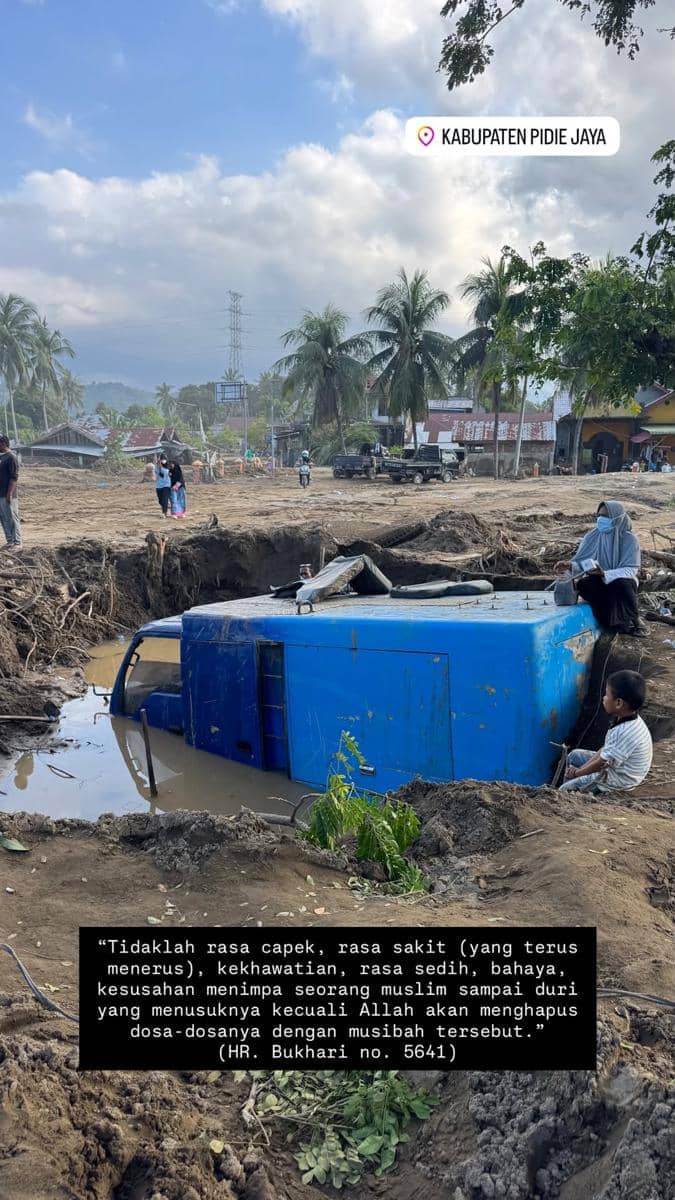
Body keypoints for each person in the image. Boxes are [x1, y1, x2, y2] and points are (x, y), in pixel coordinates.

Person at [554, 500, 645, 636]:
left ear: (617, 518)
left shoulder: (629, 539)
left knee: (622, 585)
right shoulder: (592, 536)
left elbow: (631, 570)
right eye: (599, 516)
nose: (601, 520)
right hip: (598, 578)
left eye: (606, 516)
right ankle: (607, 621)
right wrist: (570, 565)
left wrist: (605, 573)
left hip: (622, 580)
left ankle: (636, 620)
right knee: (584, 584)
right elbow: (582, 564)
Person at [559, 670, 652, 794]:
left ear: (619, 703)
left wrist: (578, 773)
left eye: (607, 695)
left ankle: (566, 795)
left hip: (618, 780)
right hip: (616, 768)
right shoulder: (624, 719)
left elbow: (602, 764)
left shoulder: (624, 732)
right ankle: (572, 785)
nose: (603, 698)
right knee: (574, 755)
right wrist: (579, 771)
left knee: (564, 789)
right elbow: (605, 751)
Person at [0, 434, 22, 551]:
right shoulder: (2, 457)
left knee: (13, 517)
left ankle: (17, 542)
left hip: (9, 494)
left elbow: (14, 477)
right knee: (3, 518)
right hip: (0, 493)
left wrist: (9, 493)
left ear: (3, 443)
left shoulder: (11, 457)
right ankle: (10, 541)